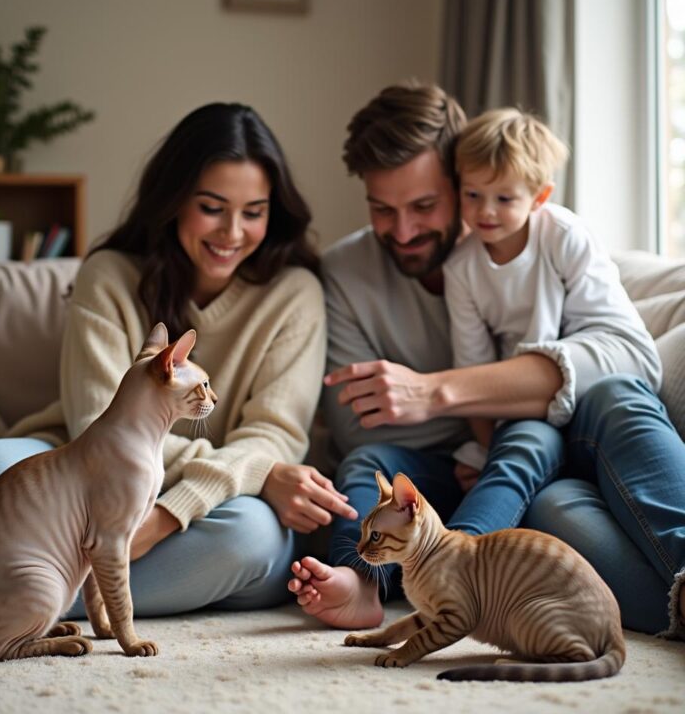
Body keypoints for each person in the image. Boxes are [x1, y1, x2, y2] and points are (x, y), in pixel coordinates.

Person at [0, 101, 357, 625]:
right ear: (173, 200)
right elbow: (98, 423)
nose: (232, 232)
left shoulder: (295, 294)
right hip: (79, 473)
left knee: (253, 538)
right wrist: (254, 471)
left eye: (254, 212)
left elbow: (273, 438)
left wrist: (170, 513)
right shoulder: (109, 275)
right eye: (212, 207)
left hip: (215, 503)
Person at [287, 82, 685, 639]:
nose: (402, 231)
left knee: (613, 406)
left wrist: (434, 391)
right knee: (375, 463)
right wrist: (495, 422)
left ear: (463, 180)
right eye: (382, 209)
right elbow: (359, 425)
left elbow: (633, 357)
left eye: (424, 205)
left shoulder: (542, 237)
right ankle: (360, 583)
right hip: (454, 478)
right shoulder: (349, 275)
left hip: (557, 448)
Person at [444, 107, 660, 483]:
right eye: (473, 194)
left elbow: (626, 346)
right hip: (524, 409)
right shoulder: (460, 269)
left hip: (589, 396)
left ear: (539, 196)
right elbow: (471, 376)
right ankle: (465, 540)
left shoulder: (563, 236)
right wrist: (487, 449)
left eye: (505, 199)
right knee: (517, 451)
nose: (485, 211)